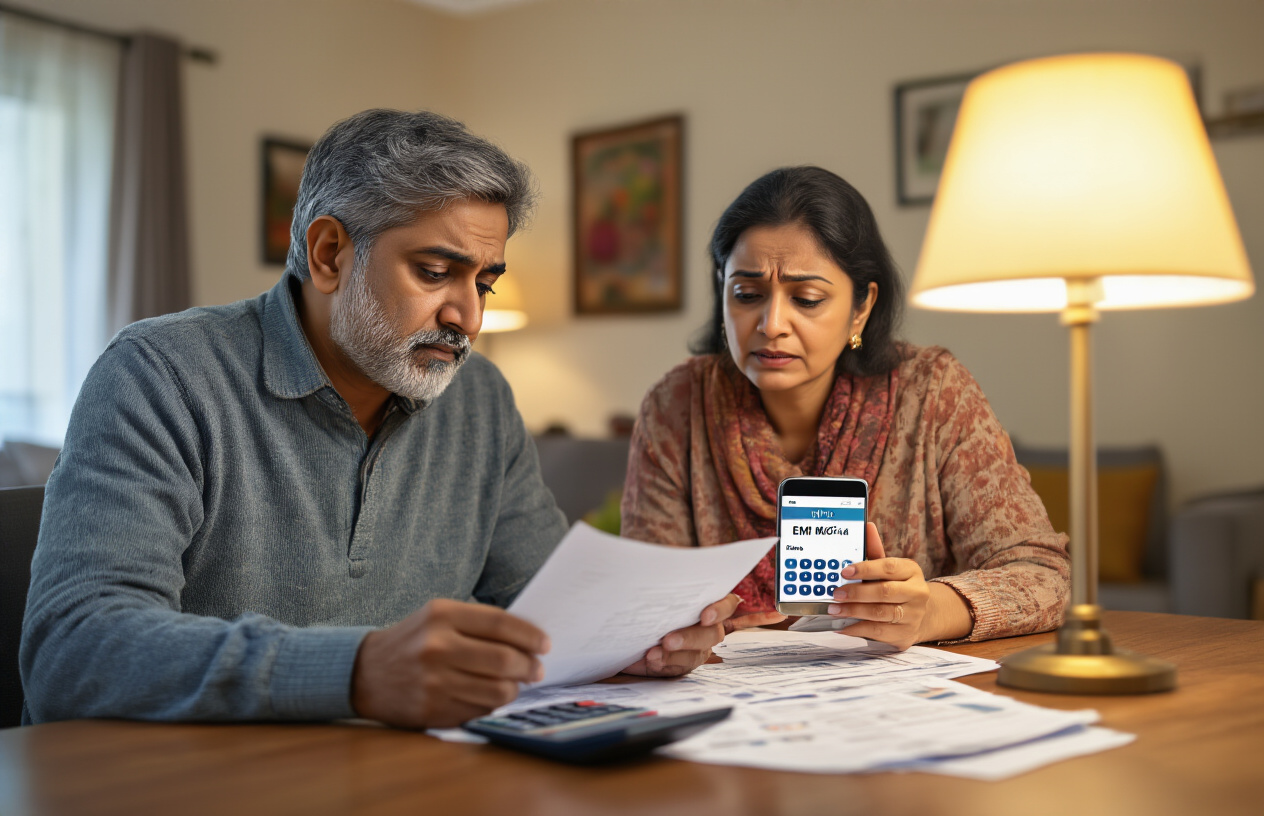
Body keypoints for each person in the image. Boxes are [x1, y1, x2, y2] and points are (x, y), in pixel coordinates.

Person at [21, 110, 740, 729]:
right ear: (329, 253)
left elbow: (548, 611)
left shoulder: (481, 399)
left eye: (484, 281)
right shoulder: (161, 373)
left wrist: (635, 640)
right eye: (435, 272)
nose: (468, 316)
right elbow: (74, 651)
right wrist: (357, 669)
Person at [621, 166, 1069, 649]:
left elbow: (1043, 577)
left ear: (861, 307)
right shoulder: (676, 407)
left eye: (807, 299)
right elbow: (640, 602)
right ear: (721, 286)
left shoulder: (932, 393)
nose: (771, 324)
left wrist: (929, 611)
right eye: (747, 294)